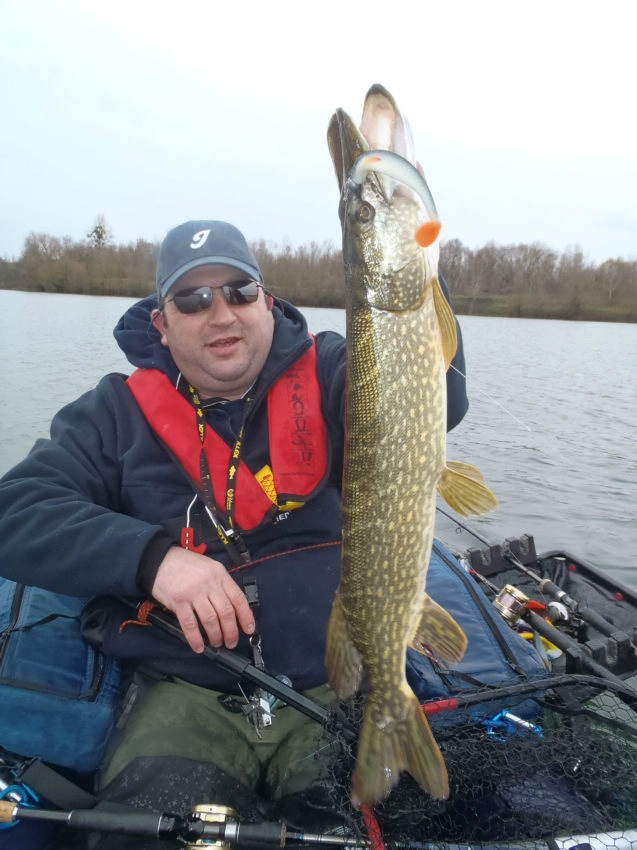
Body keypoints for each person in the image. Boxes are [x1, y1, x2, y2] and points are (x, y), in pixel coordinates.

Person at [0, 220, 468, 839]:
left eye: (240, 292)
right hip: (185, 692)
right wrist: (154, 560)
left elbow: (442, 399)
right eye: (192, 299)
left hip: (334, 684)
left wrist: (406, 251)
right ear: (160, 324)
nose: (221, 313)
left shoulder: (336, 372)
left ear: (267, 303)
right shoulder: (115, 414)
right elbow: (16, 508)